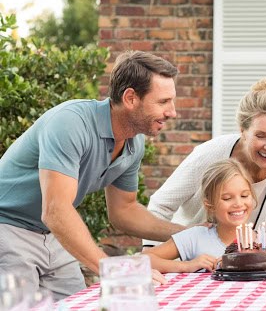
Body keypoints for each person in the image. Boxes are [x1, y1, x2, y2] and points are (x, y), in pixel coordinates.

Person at [0, 50, 182, 299]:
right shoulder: (71, 123)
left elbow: (124, 211)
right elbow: (55, 209)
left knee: (79, 303)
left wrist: (186, 233)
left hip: (51, 235)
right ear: (130, 98)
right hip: (7, 229)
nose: (172, 112)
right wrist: (112, 269)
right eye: (163, 102)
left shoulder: (132, 144)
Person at [145, 78, 266, 249]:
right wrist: (153, 257)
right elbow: (160, 206)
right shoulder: (209, 154)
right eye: (261, 136)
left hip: (244, 268)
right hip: (184, 264)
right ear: (243, 130)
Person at [144, 159, 257, 273]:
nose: (238, 204)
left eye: (244, 195)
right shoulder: (195, 237)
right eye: (227, 198)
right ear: (210, 205)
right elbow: (143, 259)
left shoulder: (263, 241)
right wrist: (186, 266)